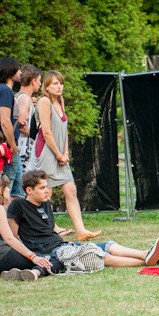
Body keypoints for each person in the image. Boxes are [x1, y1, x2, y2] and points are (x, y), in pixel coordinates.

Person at [7, 170, 159, 271]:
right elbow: (14, 236)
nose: (47, 191)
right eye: (42, 188)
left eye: (46, 187)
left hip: (63, 244)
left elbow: (49, 227)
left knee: (109, 245)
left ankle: (146, 254)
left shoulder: (46, 203)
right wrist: (31, 256)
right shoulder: (18, 205)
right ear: (29, 190)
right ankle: (145, 262)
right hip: (52, 252)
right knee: (98, 255)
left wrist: (60, 231)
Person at [34, 70, 101, 241]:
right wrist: (58, 155)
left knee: (71, 190)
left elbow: (63, 130)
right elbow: (47, 133)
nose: (59, 86)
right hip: (46, 153)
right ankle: (47, 231)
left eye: (61, 83)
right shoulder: (44, 101)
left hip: (59, 154)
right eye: (55, 83)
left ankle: (81, 231)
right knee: (45, 192)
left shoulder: (60, 101)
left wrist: (65, 153)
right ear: (46, 87)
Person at [0, 172, 62, 281]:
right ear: (0, 190)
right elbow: (9, 239)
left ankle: (8, 273)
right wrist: (33, 256)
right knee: (55, 260)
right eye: (7, 187)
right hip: (3, 258)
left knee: (43, 259)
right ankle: (35, 272)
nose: (9, 190)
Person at [0, 57, 23, 196]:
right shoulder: (5, 91)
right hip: (7, 148)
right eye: (18, 69)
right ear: (10, 71)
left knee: (17, 189)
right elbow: (4, 121)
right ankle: (2, 216)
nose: (21, 72)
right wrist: (13, 145)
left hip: (5, 146)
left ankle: (12, 217)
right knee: (6, 187)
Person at [15, 65, 42, 176]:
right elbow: (21, 125)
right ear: (33, 81)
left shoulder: (23, 97)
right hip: (22, 150)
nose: (40, 84)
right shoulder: (24, 98)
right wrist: (38, 133)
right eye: (39, 80)